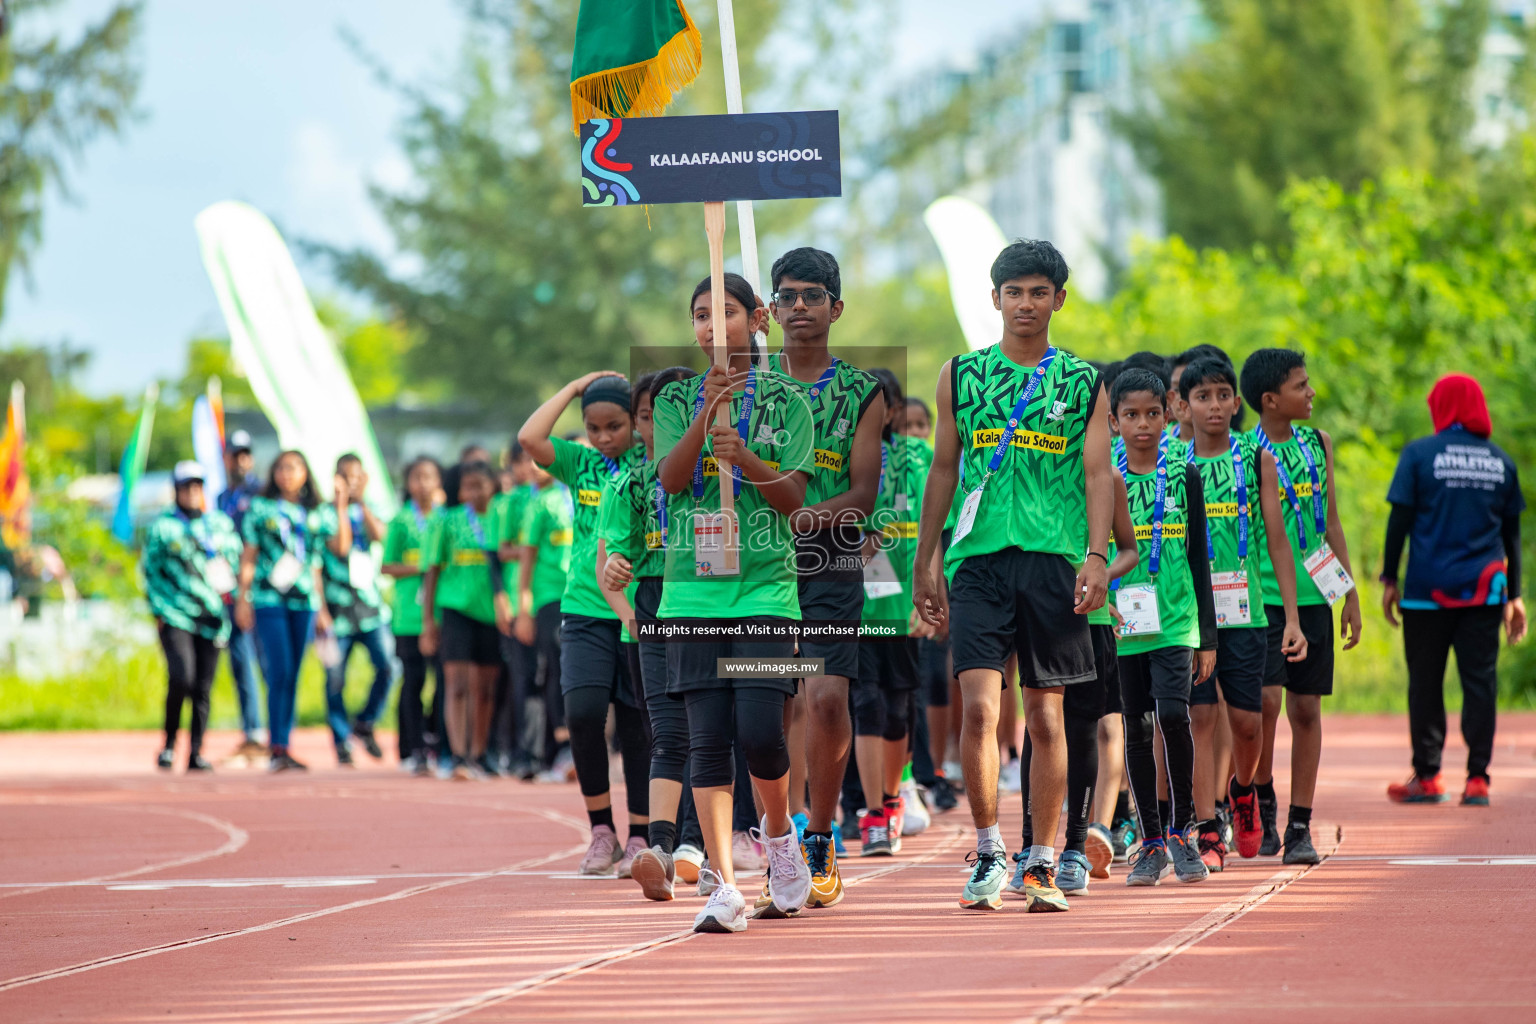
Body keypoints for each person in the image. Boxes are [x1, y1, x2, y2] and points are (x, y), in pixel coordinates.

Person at [913, 239, 1112, 913]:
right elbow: (943, 469)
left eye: (1038, 291)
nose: (1025, 303)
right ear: (993, 298)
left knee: (1047, 717)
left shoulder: (1085, 382)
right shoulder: (961, 376)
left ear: (1059, 298)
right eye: (1013, 291)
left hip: (1054, 562)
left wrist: (1094, 555)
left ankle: (1044, 862)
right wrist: (926, 560)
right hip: (977, 562)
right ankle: (990, 850)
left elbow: (1095, 474)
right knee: (979, 707)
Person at [654, 272, 816, 933]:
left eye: (724, 313)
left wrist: (743, 454)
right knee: (707, 740)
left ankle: (778, 836)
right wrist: (704, 415)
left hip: (768, 594)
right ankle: (723, 881)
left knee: (761, 733)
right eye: (699, 315)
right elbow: (668, 478)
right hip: (691, 595)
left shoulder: (789, 403)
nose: (710, 326)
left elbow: (794, 499)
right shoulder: (673, 398)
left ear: (757, 319)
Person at [764, 247, 885, 905]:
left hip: (829, 556)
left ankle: (821, 827)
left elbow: (863, 495)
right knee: (776, 699)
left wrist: (805, 518)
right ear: (771, 309)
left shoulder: (861, 392)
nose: (800, 306)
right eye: (787, 295)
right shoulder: (747, 387)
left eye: (813, 295)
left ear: (837, 307)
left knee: (827, 698)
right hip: (758, 566)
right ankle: (778, 837)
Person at [518, 372, 651, 877]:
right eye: (592, 428)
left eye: (614, 426)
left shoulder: (650, 464)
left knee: (638, 724)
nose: (602, 437)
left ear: (634, 425)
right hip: (583, 608)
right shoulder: (583, 464)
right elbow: (530, 438)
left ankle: (640, 834)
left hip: (640, 610)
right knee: (582, 712)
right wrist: (574, 388)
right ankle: (602, 830)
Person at [1180, 358, 1307, 869]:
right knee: (1200, 719)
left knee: (1249, 724)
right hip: (1188, 616)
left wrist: (1292, 617)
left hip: (1245, 612)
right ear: (1183, 407)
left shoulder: (1256, 460)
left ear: (1237, 403)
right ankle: (1208, 828)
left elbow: (1277, 541)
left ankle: (1244, 790)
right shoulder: (1172, 461)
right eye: (1202, 396)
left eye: (1222, 395)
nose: (1214, 405)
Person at [1241, 348, 1363, 865]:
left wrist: (1349, 591)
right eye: (1301, 385)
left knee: (1306, 708)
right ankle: (1260, 801)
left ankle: (1299, 824)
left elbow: (1330, 520)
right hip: (1260, 597)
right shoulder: (1243, 450)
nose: (1311, 393)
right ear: (1271, 400)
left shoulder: (1319, 443)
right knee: (1266, 704)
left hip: (1316, 594)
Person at [1383, 374, 1526, 806]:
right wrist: (1515, 595)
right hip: (1485, 592)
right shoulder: (1501, 462)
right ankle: (1478, 778)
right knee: (1479, 682)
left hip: (1427, 590)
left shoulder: (1419, 455)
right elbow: (1512, 536)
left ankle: (1428, 777)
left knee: (1425, 682)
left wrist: (1389, 578)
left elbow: (1399, 522)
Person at [600, 366, 704, 900]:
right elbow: (612, 558)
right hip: (656, 607)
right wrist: (621, 578)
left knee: (712, 730)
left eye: (671, 410)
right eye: (646, 415)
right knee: (668, 731)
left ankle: (699, 842)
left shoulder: (720, 472)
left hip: (713, 604)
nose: (656, 423)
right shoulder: (629, 483)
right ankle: (663, 851)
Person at [1011, 460, 1138, 894]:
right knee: (1040, 726)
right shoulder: (1037, 466)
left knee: (1083, 729)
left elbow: (1129, 549)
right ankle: (1031, 849)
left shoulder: (1111, 479)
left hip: (1093, 620)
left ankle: (1075, 850)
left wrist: (1099, 575)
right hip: (1041, 614)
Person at [235, 450, 335, 772]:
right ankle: (276, 745)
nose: (287, 474)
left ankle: (284, 744)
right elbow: (249, 555)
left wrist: (321, 607)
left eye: (293, 468)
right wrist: (243, 598)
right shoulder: (260, 509)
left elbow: (317, 563)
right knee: (278, 670)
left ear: (306, 473)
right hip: (268, 598)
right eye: (280, 468)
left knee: (293, 673)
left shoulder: (314, 513)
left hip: (303, 600)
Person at [144, 461, 243, 772]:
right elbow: (150, 571)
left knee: (203, 686)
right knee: (181, 677)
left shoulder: (220, 525)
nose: (192, 492)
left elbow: (235, 564)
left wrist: (235, 597)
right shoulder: (163, 528)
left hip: (212, 617)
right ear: (176, 490)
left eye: (197, 486)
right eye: (186, 486)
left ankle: (196, 751)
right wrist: (158, 610)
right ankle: (170, 744)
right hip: (176, 615)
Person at [420, 461, 505, 780]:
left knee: (484, 688)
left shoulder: (501, 517)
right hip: (455, 610)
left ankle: (479, 754)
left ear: (492, 487)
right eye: (467, 486)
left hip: (491, 612)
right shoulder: (448, 521)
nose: (473, 492)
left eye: (479, 485)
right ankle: (457, 756)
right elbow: (432, 570)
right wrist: (429, 620)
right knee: (456, 684)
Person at [320, 454, 394, 766]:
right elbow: (342, 547)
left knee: (389, 666)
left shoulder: (370, 508)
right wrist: (340, 506)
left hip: (370, 609)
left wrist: (361, 503)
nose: (351, 481)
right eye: (345, 476)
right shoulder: (323, 514)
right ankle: (340, 741)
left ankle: (364, 722)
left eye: (356, 476)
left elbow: (382, 538)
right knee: (335, 678)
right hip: (336, 612)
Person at [383, 457, 444, 776]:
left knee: (443, 681)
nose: (423, 483)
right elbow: (386, 565)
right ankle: (410, 748)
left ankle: (435, 742)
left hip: (440, 614)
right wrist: (419, 568)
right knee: (413, 680)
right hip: (408, 616)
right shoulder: (400, 521)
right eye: (417, 477)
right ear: (408, 484)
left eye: (430, 477)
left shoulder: (445, 519)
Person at [514, 459, 573, 778]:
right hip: (551, 596)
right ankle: (561, 750)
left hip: (588, 597)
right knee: (556, 668)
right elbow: (526, 558)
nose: (535, 466)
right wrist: (524, 608)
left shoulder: (589, 494)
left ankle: (582, 750)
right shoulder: (541, 503)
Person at [215, 430, 265, 763]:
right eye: (235, 454)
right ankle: (252, 731)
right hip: (230, 590)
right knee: (240, 661)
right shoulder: (221, 498)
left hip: (260, 588)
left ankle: (273, 734)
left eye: (246, 454)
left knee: (266, 662)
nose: (241, 460)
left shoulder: (260, 492)